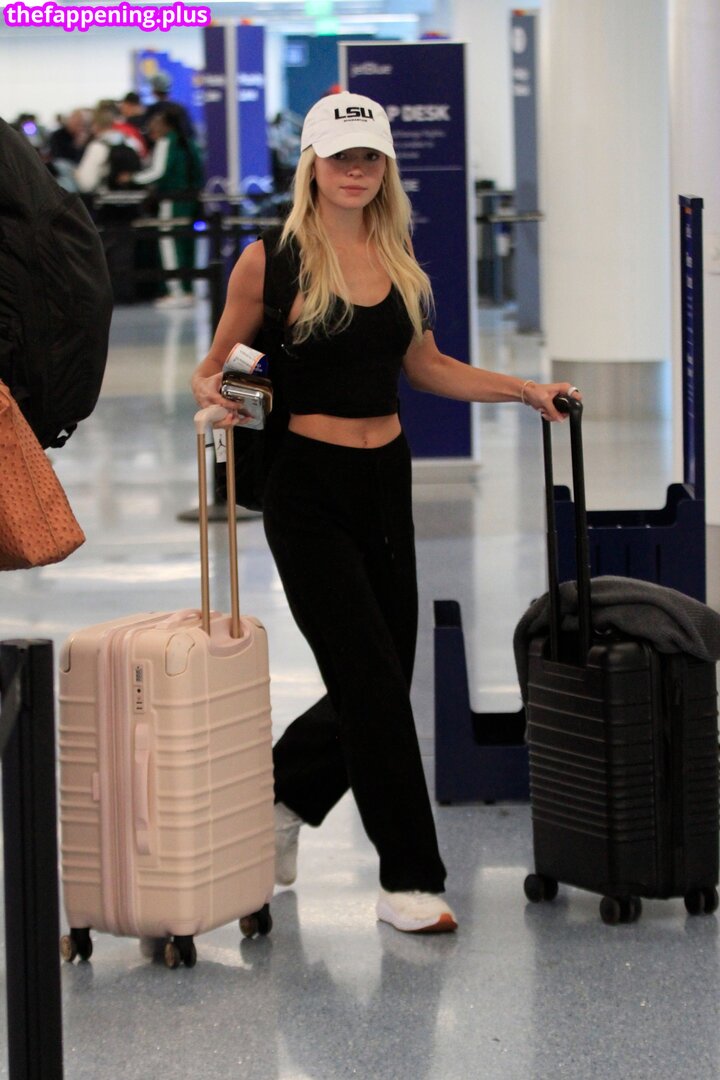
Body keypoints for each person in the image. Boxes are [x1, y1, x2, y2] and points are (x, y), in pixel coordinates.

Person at [190, 91, 582, 935]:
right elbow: (218, 366)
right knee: (370, 682)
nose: (356, 171)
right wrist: (224, 401)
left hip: (385, 482)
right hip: (308, 489)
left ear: (386, 167)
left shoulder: (397, 255)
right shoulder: (271, 262)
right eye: (341, 157)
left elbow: (426, 366)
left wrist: (525, 390)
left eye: (370, 157)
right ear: (312, 164)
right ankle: (409, 879)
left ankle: (281, 797)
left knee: (379, 673)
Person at [127, 104, 204, 308]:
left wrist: (132, 179)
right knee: (187, 245)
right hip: (190, 201)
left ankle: (175, 291)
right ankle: (187, 289)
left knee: (170, 244)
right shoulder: (189, 142)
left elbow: (158, 172)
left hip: (171, 201)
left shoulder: (166, 142)